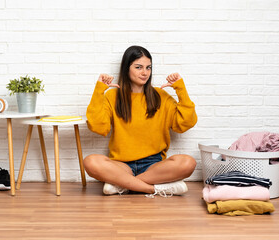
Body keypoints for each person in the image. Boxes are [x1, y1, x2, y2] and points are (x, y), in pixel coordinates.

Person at [84, 45, 197, 198]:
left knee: (188, 163)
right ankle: (153, 189)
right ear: (126, 69)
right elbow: (98, 126)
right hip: (122, 165)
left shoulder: (160, 95)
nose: (145, 73)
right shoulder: (112, 96)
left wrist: (181, 90)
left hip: (154, 166)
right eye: (138, 67)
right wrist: (99, 91)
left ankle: (122, 185)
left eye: (148, 67)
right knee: (91, 162)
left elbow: (184, 124)